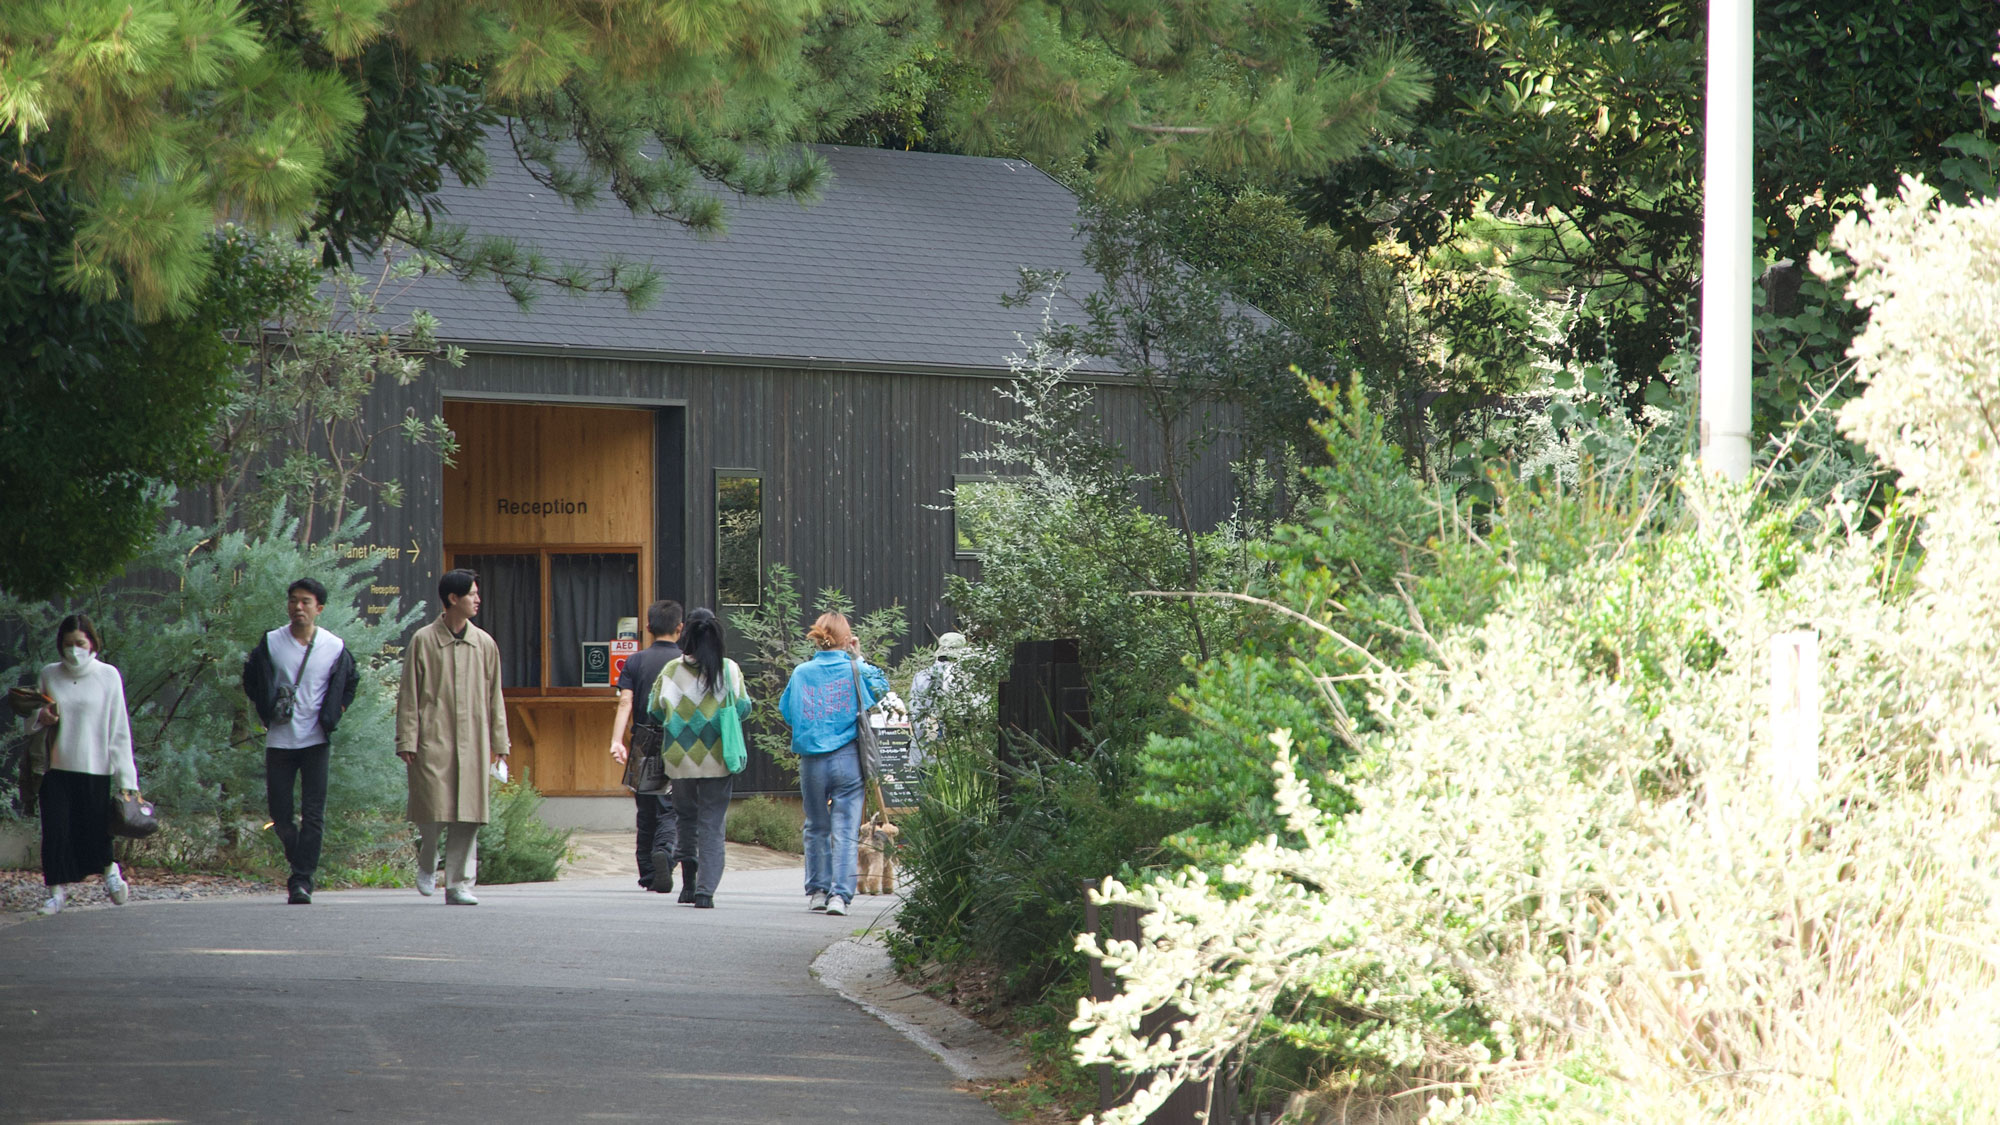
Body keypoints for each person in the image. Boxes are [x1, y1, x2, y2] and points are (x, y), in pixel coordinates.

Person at [242, 578, 361, 905]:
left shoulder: (333, 646)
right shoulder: (271, 642)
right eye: (293, 601)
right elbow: (250, 678)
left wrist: (337, 710)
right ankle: (300, 860)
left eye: (306, 602)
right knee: (280, 815)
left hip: (316, 739)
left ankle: (302, 880)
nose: (298, 607)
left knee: (313, 813)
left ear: (319, 608)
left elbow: (351, 681)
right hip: (280, 739)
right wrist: (265, 707)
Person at [395, 568, 509, 905]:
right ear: (452, 599)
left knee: (469, 815)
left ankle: (459, 883)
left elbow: (495, 696)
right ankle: (429, 860)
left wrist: (500, 744)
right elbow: (409, 695)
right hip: (433, 739)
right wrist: (407, 740)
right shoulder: (424, 640)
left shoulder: (484, 644)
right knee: (432, 810)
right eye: (472, 593)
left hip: (473, 741)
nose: (477, 599)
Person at [27, 614, 138, 916]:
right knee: (55, 830)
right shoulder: (50, 674)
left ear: (91, 642)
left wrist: (127, 777)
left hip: (95, 767)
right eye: (67, 644)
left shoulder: (108, 676)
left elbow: (119, 729)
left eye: (80, 643)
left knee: (95, 830)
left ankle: (110, 871)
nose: (74, 650)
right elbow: (32, 718)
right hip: (57, 766)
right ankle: (55, 892)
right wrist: (42, 718)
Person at [778, 612, 886, 917]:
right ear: (846, 639)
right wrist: (858, 654)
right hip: (848, 758)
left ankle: (818, 892)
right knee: (846, 828)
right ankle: (840, 896)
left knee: (816, 827)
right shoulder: (854, 669)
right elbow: (880, 688)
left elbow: (787, 711)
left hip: (812, 760)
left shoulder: (801, 673)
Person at [647, 608, 751, 909]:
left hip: (679, 761)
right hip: (719, 758)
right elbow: (743, 709)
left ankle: (688, 885)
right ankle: (705, 891)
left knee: (686, 819)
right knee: (711, 823)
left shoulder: (670, 671)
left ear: (686, 636)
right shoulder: (728, 670)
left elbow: (654, 710)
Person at [607, 599, 684, 894]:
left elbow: (625, 700)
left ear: (649, 627)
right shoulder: (684, 661)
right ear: (680, 628)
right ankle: (665, 852)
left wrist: (616, 740)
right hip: (678, 739)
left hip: (642, 738)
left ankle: (648, 873)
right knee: (670, 807)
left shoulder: (635, 661)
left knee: (646, 806)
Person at [907, 631, 968, 767]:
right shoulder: (964, 678)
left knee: (925, 787)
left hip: (922, 752)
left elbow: (915, 713)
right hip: (955, 756)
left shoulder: (921, 676)